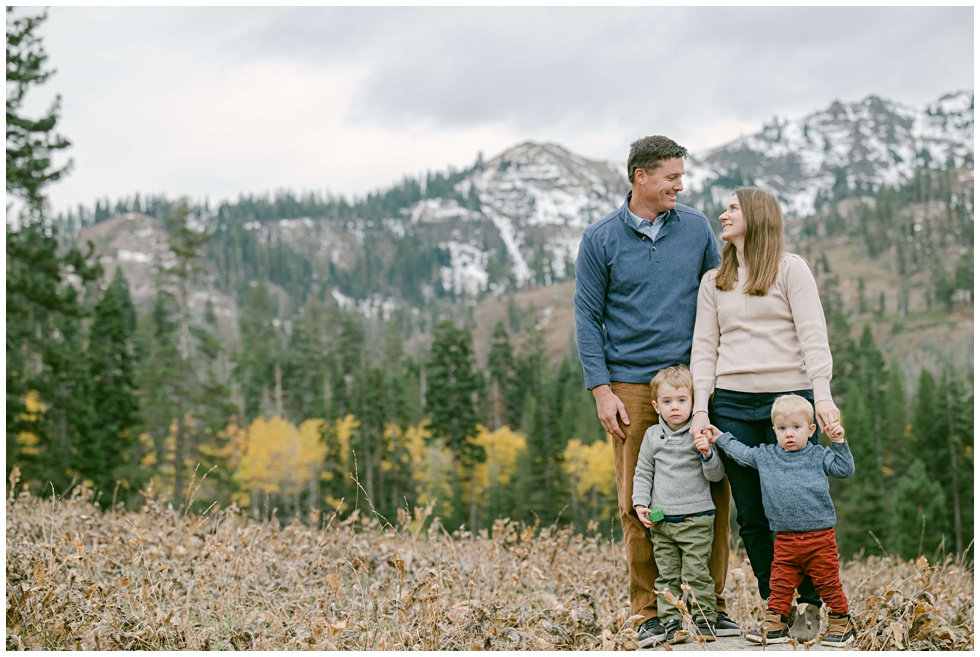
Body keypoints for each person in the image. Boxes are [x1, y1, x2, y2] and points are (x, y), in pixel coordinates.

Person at [574, 135, 739, 647]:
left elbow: (720, 288)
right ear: (640, 176)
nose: (680, 185)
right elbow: (586, 315)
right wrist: (601, 389)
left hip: (694, 382)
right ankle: (651, 614)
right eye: (671, 176)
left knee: (713, 493)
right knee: (637, 500)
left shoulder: (695, 227)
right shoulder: (600, 238)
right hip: (629, 386)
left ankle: (710, 609)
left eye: (681, 176)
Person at [689, 186, 843, 642]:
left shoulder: (791, 269)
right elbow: (704, 350)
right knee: (752, 514)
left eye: (732, 207)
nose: (723, 213)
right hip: (731, 403)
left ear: (757, 215)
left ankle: (814, 604)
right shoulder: (713, 281)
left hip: (789, 403)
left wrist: (823, 396)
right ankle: (777, 607)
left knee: (801, 511)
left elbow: (813, 336)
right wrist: (701, 409)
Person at [704, 394, 856, 647]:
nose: (789, 434)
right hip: (784, 539)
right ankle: (776, 623)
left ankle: (842, 622)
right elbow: (741, 453)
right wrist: (720, 437)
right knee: (780, 584)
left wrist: (839, 441)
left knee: (828, 582)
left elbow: (845, 469)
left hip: (819, 537)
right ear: (773, 430)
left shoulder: (818, 455)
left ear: (811, 430)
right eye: (783, 428)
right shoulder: (767, 456)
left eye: (796, 428)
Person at [632, 365, 726, 645]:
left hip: (697, 519)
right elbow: (643, 471)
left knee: (697, 573)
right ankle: (671, 622)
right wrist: (640, 503)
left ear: (694, 402)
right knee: (667, 576)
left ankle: (705, 619)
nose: (675, 408)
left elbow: (717, 475)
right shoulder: (652, 436)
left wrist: (707, 453)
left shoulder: (699, 434)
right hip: (662, 523)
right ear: (656, 406)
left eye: (682, 401)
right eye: (667, 402)